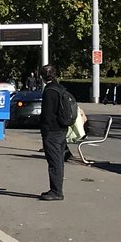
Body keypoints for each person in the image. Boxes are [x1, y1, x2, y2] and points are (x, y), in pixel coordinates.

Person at [38, 65, 68, 200]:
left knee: (54, 162)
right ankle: (56, 189)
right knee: (59, 160)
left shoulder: (49, 91)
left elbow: (47, 115)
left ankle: (56, 192)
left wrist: (44, 132)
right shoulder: (60, 88)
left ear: (42, 77)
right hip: (62, 128)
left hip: (52, 131)